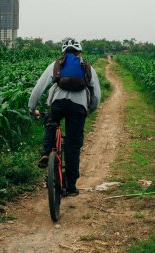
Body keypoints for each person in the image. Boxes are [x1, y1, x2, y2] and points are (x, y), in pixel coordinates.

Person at [28, 38, 101, 196]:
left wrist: (32, 108)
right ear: (79, 52)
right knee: (73, 146)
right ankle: (71, 187)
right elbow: (97, 95)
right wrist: (90, 109)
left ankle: (46, 153)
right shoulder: (87, 66)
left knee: (50, 124)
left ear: (64, 52)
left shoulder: (56, 65)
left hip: (58, 103)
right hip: (78, 106)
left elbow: (39, 88)